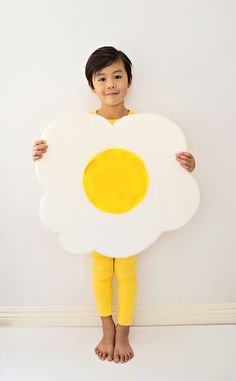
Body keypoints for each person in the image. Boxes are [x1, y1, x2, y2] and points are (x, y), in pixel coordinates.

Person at [32, 46, 196, 363]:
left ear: (129, 81)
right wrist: (45, 154)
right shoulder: (81, 129)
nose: (111, 84)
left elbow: (164, 163)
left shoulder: (146, 127)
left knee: (127, 270)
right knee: (101, 270)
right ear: (92, 86)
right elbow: (66, 162)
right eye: (102, 78)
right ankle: (106, 328)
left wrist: (185, 164)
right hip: (95, 211)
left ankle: (123, 331)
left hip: (131, 211)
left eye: (118, 76)